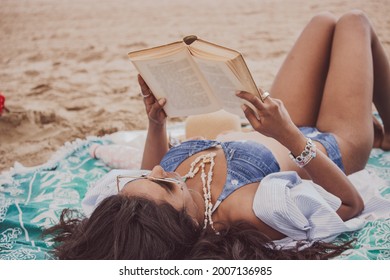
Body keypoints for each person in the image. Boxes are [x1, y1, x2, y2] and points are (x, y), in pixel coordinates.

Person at [46, 10, 390, 260]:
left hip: (274, 126)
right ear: (183, 226)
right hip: (327, 145)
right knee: (354, 22)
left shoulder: (149, 203)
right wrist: (288, 135)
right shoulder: (247, 213)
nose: (158, 170)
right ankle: (381, 135)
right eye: (164, 184)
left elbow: (155, 173)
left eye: (147, 176)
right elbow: (350, 204)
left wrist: (156, 123)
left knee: (323, 22)